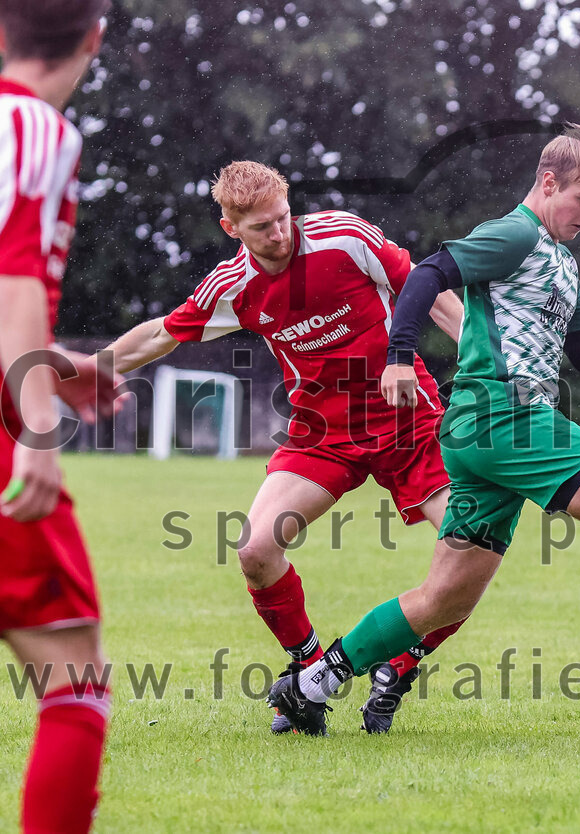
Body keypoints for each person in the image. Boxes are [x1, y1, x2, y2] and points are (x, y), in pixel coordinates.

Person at [270, 124, 580, 732]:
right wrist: (400, 355)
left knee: (442, 599)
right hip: (506, 415)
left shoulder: (559, 260)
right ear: (548, 182)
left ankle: (312, 683)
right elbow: (427, 273)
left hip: (477, 432)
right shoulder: (515, 234)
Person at [98, 161, 467, 735]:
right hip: (321, 436)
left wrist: (480, 358)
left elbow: (425, 289)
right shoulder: (234, 287)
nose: (280, 234)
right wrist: (89, 370)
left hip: (409, 424)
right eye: (263, 227)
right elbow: (159, 334)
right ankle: (309, 673)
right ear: (231, 228)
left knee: (467, 553)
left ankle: (398, 664)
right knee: (255, 549)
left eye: (283, 217)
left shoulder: (345, 238)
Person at [0, 1, 123, 831]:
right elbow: (11, 279)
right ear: (94, 38)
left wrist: (58, 364)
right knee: (75, 682)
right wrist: (34, 427)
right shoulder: (36, 129)